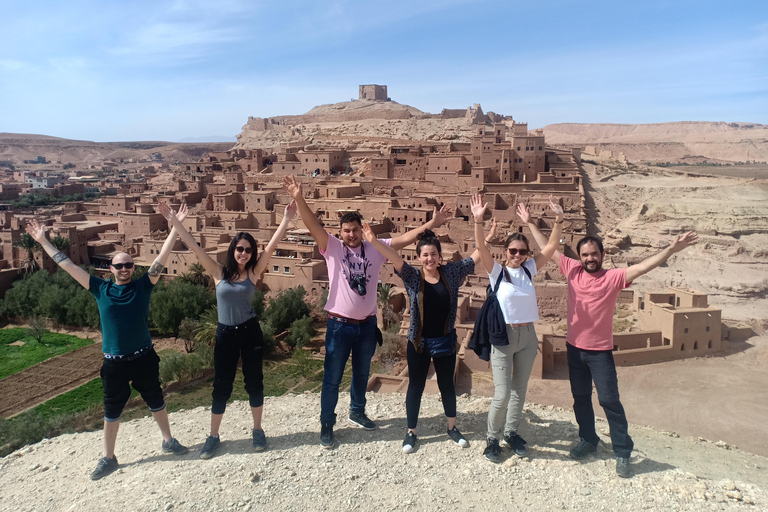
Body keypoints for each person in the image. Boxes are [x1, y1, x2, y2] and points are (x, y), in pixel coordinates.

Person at [283, 175, 454, 448]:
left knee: (362, 372)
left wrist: (432, 223)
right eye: (347, 230)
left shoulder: (376, 248)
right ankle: (327, 424)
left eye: (355, 229)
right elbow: (312, 224)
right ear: (340, 232)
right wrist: (298, 198)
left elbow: (405, 239)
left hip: (366, 324)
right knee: (332, 376)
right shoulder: (332, 248)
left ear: (362, 229)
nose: (351, 234)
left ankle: (357, 411)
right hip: (339, 324)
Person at [26, 204, 191, 481]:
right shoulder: (99, 288)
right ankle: (109, 457)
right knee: (112, 409)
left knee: (155, 399)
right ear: (111, 268)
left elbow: (162, 257)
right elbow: (67, 265)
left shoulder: (143, 286)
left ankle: (168, 440)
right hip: (114, 361)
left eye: (128, 265)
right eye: (119, 265)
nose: (125, 269)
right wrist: (43, 240)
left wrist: (175, 226)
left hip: (143, 356)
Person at [526, 225, 698, 477]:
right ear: (579, 257)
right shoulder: (571, 269)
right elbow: (547, 247)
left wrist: (671, 249)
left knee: (609, 401)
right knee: (581, 398)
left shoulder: (613, 278)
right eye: (585, 255)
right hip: (574, 349)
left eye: (594, 254)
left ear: (602, 254)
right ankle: (588, 440)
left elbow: (643, 267)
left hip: (600, 352)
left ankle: (622, 451)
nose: (589, 259)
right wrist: (530, 223)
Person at [159, 200, 297, 459]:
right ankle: (213, 436)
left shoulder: (254, 273)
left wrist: (286, 219)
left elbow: (273, 246)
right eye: (240, 249)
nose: (244, 253)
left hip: (250, 332)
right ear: (233, 250)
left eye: (248, 250)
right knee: (222, 385)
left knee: (254, 382)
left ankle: (257, 430)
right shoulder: (218, 272)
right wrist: (175, 222)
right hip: (225, 334)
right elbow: (193, 246)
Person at [362, 224, 479, 453]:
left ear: (440, 256)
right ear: (419, 257)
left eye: (433, 254)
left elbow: (476, 256)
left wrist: (481, 229)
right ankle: (411, 432)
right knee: (415, 387)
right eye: (425, 255)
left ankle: (452, 428)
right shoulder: (413, 277)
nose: (429, 259)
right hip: (418, 343)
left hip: (444, 341)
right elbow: (394, 256)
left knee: (447, 385)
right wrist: (374, 241)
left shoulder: (451, 273)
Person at [471, 193, 564, 463]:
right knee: (501, 394)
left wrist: (558, 219)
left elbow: (552, 246)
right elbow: (481, 248)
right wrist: (478, 222)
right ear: (506, 252)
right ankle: (492, 438)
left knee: (519, 391)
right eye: (513, 251)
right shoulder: (497, 272)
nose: (518, 255)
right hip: (504, 337)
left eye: (523, 252)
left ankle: (511, 432)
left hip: (527, 337)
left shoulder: (529, 270)